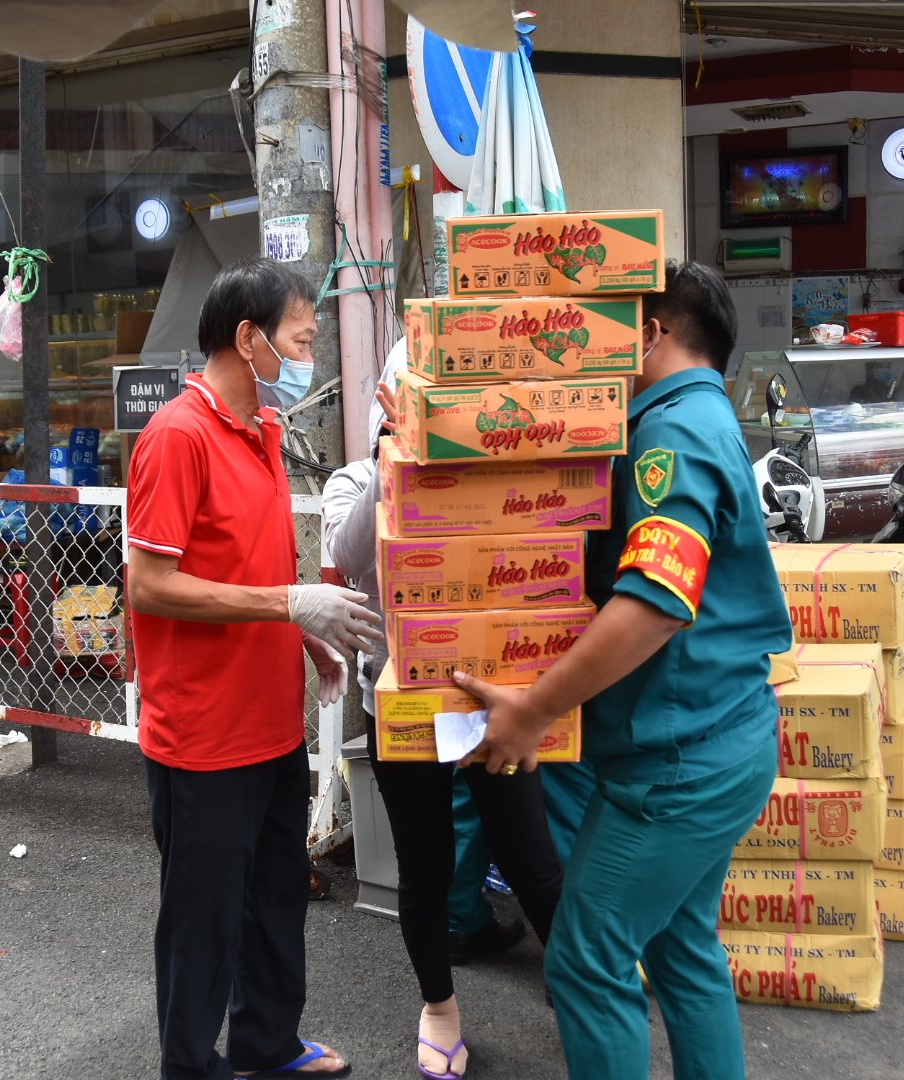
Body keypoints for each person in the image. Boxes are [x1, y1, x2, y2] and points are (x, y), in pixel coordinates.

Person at [453, 260, 792, 1080]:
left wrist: (533, 709)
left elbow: (657, 602)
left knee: (584, 957)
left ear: (649, 332)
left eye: (607, 329)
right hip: (718, 739)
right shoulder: (700, 418)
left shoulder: (671, 434)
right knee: (681, 948)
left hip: (678, 765)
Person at [127, 257, 382, 1080]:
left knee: (276, 901)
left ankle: (268, 1045)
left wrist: (302, 634)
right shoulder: (176, 436)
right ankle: (190, 1066)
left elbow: (248, 571)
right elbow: (151, 584)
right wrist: (287, 607)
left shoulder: (264, 433)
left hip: (271, 725)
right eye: (301, 338)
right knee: (203, 922)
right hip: (203, 737)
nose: (307, 355)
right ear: (249, 339)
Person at [322, 342, 564, 1080]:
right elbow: (350, 551)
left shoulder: (483, 476)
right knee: (424, 869)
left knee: (531, 856)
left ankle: (585, 991)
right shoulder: (356, 478)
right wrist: (399, 456)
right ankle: (439, 1009)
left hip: (491, 705)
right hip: (399, 710)